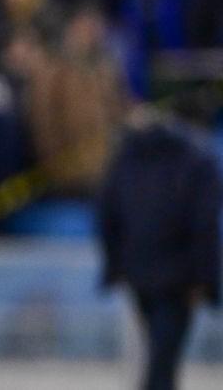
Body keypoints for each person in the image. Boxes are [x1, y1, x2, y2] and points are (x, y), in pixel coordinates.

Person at [98, 110, 222, 390]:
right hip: (179, 280)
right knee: (162, 363)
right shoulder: (198, 162)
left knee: (160, 359)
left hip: (139, 273)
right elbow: (205, 226)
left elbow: (106, 215)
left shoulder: (127, 159)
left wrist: (116, 266)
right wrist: (206, 280)